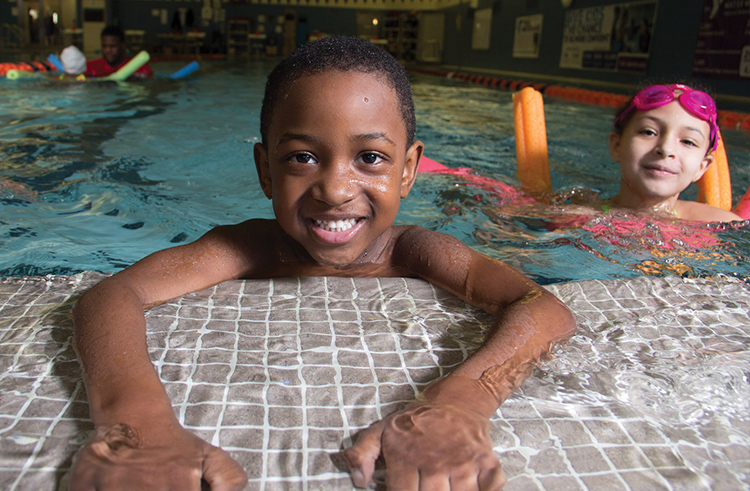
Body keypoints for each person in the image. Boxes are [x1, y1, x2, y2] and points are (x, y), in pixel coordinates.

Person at [70, 36, 576, 490]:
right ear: (265, 171)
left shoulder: (415, 250)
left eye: (371, 158)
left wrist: (459, 403)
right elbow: (111, 295)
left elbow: (540, 306)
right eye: (302, 157)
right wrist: (135, 426)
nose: (335, 190)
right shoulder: (250, 247)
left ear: (409, 170)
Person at [603, 83, 741, 221]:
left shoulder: (722, 223)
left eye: (688, 142)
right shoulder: (583, 217)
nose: (666, 149)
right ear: (617, 146)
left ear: (701, 167)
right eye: (649, 132)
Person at [85, 25, 154, 79]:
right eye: (104, 46)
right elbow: (79, 79)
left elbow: (148, 78)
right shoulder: (90, 68)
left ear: (123, 45)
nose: (108, 50)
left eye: (113, 46)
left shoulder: (139, 69)